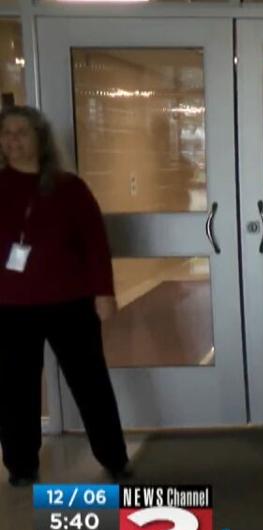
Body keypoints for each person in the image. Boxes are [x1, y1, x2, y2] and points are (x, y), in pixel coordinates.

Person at [0, 105, 131, 487]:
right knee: (15, 390)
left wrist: (104, 292)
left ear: (40, 138)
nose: (13, 139)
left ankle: (114, 458)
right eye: (6, 132)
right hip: (10, 307)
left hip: (69, 302)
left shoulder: (69, 188)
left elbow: (95, 245)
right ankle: (22, 466)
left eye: (21, 131)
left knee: (89, 383)